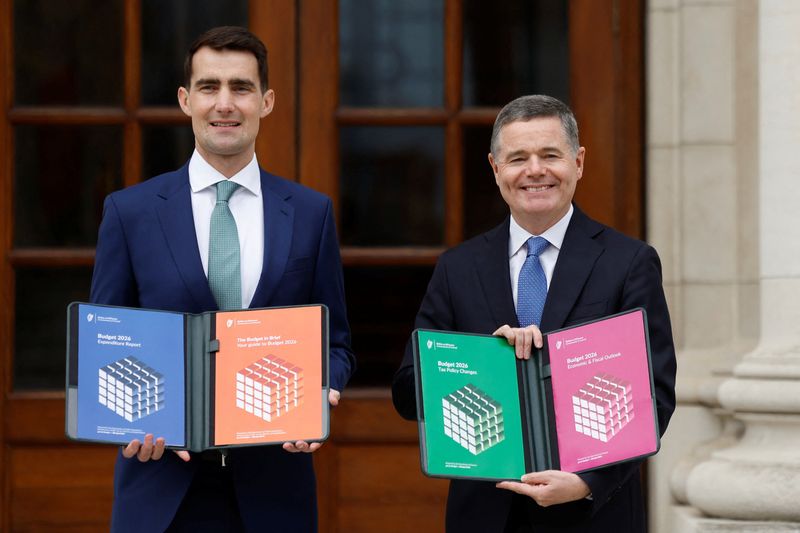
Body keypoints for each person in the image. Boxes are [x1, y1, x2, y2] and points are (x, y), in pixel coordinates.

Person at [90, 26, 355, 532]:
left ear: (266, 102)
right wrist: (126, 420)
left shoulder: (310, 213)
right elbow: (106, 340)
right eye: (209, 87)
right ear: (186, 100)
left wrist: (323, 389)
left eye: (242, 87)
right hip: (160, 489)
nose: (225, 103)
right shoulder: (130, 212)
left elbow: (336, 343)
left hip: (275, 493)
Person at [392, 94, 676, 532]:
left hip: (592, 516)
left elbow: (655, 394)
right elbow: (408, 392)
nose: (535, 170)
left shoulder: (629, 262)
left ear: (578, 162)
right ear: (495, 168)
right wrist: (483, 360)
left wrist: (588, 482)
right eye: (518, 158)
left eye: (550, 155)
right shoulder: (457, 268)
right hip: (485, 515)